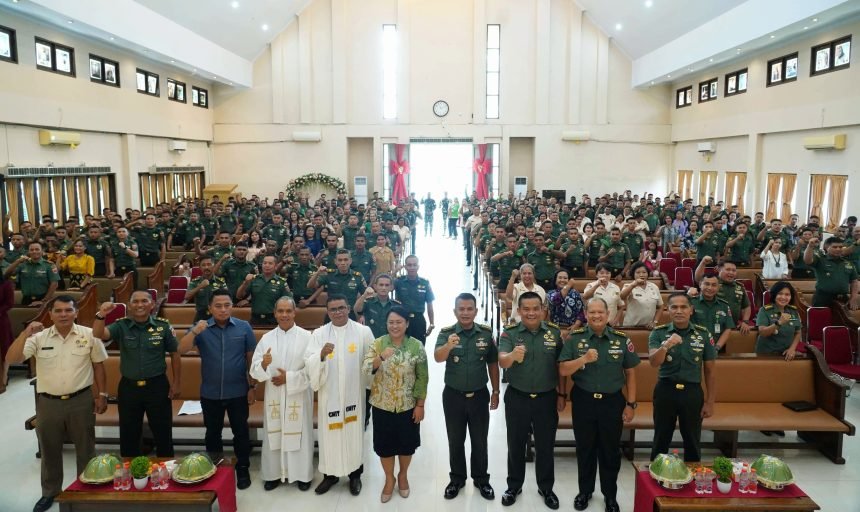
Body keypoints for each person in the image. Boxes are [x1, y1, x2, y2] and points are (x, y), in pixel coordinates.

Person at [6, 296, 108, 512]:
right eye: (58, 311)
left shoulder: (89, 335)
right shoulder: (38, 337)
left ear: (76, 312)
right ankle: (50, 492)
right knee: (49, 449)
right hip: (48, 403)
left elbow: (98, 366)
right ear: (50, 313)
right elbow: (13, 358)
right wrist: (25, 333)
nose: (63, 315)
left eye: (68, 310)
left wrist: (102, 395)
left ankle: (85, 489)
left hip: (81, 400)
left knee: (85, 448)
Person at [559, 298, 639, 512]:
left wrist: (631, 404)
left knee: (610, 451)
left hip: (612, 403)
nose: (596, 316)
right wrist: (583, 359)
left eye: (600, 312)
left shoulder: (622, 339)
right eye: (592, 312)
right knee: (585, 449)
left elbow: (630, 373)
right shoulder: (575, 339)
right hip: (584, 401)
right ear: (585, 313)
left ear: (608, 313)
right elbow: (563, 370)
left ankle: (610, 496)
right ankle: (584, 492)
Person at [178, 290, 257, 489]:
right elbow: (180, 350)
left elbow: (251, 359)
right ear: (210, 308)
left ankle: (243, 468)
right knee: (213, 433)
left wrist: (252, 386)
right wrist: (196, 331)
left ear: (232, 306)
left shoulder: (243, 327)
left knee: (241, 432)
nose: (223, 310)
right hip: (210, 392)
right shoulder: (201, 327)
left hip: (238, 391)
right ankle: (215, 467)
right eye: (218, 306)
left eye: (227, 305)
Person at [93, 291, 181, 457]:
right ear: (130, 305)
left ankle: (165, 469)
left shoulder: (163, 326)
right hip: (129, 387)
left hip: (157, 386)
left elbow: (175, 354)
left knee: (163, 431)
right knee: (128, 432)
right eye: (135, 302)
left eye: (144, 301)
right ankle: (131, 471)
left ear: (152, 304)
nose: (140, 305)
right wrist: (101, 315)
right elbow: (98, 334)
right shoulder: (121, 325)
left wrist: (176, 383)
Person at [498, 291, 564, 509]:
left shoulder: (554, 334)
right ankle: (514, 486)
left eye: (535, 308)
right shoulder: (509, 333)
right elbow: (502, 362)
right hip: (518, 397)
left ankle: (546, 487)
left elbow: (560, 367)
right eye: (526, 309)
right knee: (515, 445)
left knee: (545, 446)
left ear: (543, 310)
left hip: (546, 398)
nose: (531, 313)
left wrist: (562, 395)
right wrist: (511, 357)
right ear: (519, 311)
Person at [305, 295, 375, 496]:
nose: (338, 312)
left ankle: (355, 476)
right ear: (327, 312)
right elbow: (308, 360)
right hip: (330, 394)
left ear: (349, 308)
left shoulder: (363, 332)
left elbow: (371, 361)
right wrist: (320, 355)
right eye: (333, 309)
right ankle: (330, 476)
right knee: (330, 435)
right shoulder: (319, 334)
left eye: (341, 308)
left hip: (354, 393)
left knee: (354, 433)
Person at [434, 293, 499, 501]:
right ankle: (457, 479)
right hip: (453, 396)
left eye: (469, 309)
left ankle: (481, 479)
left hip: (479, 395)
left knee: (480, 441)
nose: (465, 313)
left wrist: (496, 391)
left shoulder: (486, 334)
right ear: (455, 312)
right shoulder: (447, 333)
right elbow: (437, 357)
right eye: (461, 309)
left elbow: (492, 363)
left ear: (475, 311)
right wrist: (448, 346)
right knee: (455, 440)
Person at [363, 307, 429, 503]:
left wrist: (420, 405)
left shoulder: (416, 346)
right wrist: (381, 357)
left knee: (406, 445)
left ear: (406, 324)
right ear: (386, 324)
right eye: (391, 322)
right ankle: (389, 478)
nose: (395, 326)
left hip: (407, 405)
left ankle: (403, 475)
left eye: (399, 322)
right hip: (382, 405)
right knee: (385, 446)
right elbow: (366, 368)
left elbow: (422, 377)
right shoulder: (378, 343)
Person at [250, 297, 315, 491]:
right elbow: (255, 370)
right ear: (275, 313)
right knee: (274, 434)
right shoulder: (267, 338)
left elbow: (313, 369)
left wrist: (290, 378)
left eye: (288, 311)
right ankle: (273, 474)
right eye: (280, 311)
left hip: (298, 394)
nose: (284, 315)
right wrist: (263, 364)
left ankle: (302, 475)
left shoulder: (307, 337)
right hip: (275, 396)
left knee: (301, 434)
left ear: (295, 312)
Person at [648, 293, 717, 462]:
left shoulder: (703, 334)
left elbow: (710, 370)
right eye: (674, 307)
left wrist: (710, 402)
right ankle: (657, 477)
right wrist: (666, 345)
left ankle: (693, 481)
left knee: (692, 439)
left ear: (691, 310)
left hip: (692, 392)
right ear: (668, 310)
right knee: (661, 437)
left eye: (683, 307)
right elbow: (653, 362)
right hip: (666, 390)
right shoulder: (658, 333)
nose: (679, 311)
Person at [694, 258, 752, 333]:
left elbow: (746, 306)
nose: (731, 272)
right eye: (727, 269)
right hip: (710, 326)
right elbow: (699, 278)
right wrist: (703, 263)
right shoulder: (712, 283)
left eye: (734, 270)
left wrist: (745, 321)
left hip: (732, 327)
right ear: (718, 269)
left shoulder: (739, 287)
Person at [804, 236, 860, 309]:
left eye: (840, 247)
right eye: (835, 247)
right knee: (820, 319)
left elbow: (854, 281)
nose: (838, 249)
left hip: (842, 298)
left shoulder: (848, 263)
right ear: (827, 247)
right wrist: (810, 246)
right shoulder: (820, 260)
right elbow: (807, 260)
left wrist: (853, 297)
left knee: (843, 320)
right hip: (822, 298)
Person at [236, 255, 290, 326]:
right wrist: (245, 283)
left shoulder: (282, 282)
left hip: (274, 319)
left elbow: (289, 301)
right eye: (264, 263)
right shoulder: (254, 279)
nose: (267, 265)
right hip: (255, 318)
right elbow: (238, 296)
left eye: (270, 263)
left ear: (275, 266)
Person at [687, 274, 735, 351]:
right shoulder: (691, 303)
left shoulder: (724, 306)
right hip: (694, 347)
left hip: (717, 348)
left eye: (714, 285)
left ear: (718, 287)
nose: (710, 288)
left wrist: (717, 347)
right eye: (707, 284)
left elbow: (728, 329)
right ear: (700, 285)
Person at [393, 255, 435, 344]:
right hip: (402, 319)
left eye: (414, 265)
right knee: (401, 348)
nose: (412, 267)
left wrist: (431, 323)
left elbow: (430, 305)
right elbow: (387, 287)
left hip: (418, 320)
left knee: (419, 349)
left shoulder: (425, 283)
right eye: (409, 265)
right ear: (405, 266)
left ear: (418, 266)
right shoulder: (399, 281)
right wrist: (395, 271)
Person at [755, 282, 802, 360]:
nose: (783, 297)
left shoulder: (793, 311)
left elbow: (798, 332)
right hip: (766, 354)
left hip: (785, 354)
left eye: (787, 295)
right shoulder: (764, 310)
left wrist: (792, 349)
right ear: (774, 295)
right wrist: (779, 323)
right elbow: (762, 332)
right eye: (780, 294)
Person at [3, 241, 60, 306]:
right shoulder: (23, 264)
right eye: (31, 250)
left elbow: (54, 284)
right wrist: (17, 261)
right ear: (28, 251)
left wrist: (45, 300)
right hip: (26, 298)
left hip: (43, 298)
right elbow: (6, 274)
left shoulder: (49, 265)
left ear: (42, 251)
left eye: (37, 249)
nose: (34, 251)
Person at [620, 262, 663, 328]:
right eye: (638, 272)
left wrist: (655, 322)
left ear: (648, 274)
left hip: (648, 327)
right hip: (631, 326)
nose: (641, 275)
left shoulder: (654, 287)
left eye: (644, 272)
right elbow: (622, 296)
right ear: (633, 274)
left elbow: (661, 306)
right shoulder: (628, 286)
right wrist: (633, 285)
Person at [186, 255, 228, 322]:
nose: (206, 267)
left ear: (213, 266)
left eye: (209, 264)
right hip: (200, 316)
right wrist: (199, 287)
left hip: (217, 316)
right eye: (203, 265)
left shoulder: (220, 282)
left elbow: (227, 299)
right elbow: (187, 297)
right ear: (200, 267)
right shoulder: (195, 282)